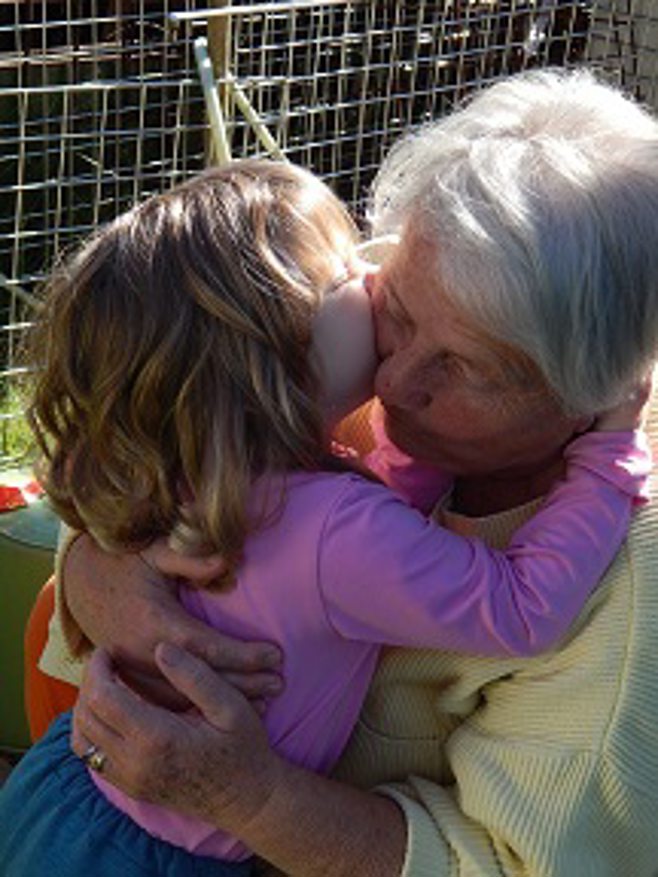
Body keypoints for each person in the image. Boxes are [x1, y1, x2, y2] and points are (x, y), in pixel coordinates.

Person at [18, 67, 658, 876]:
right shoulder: (311, 388)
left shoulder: (630, 599)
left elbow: (513, 866)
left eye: (465, 366)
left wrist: (251, 798)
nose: (396, 383)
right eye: (400, 310)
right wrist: (102, 572)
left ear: (593, 391)